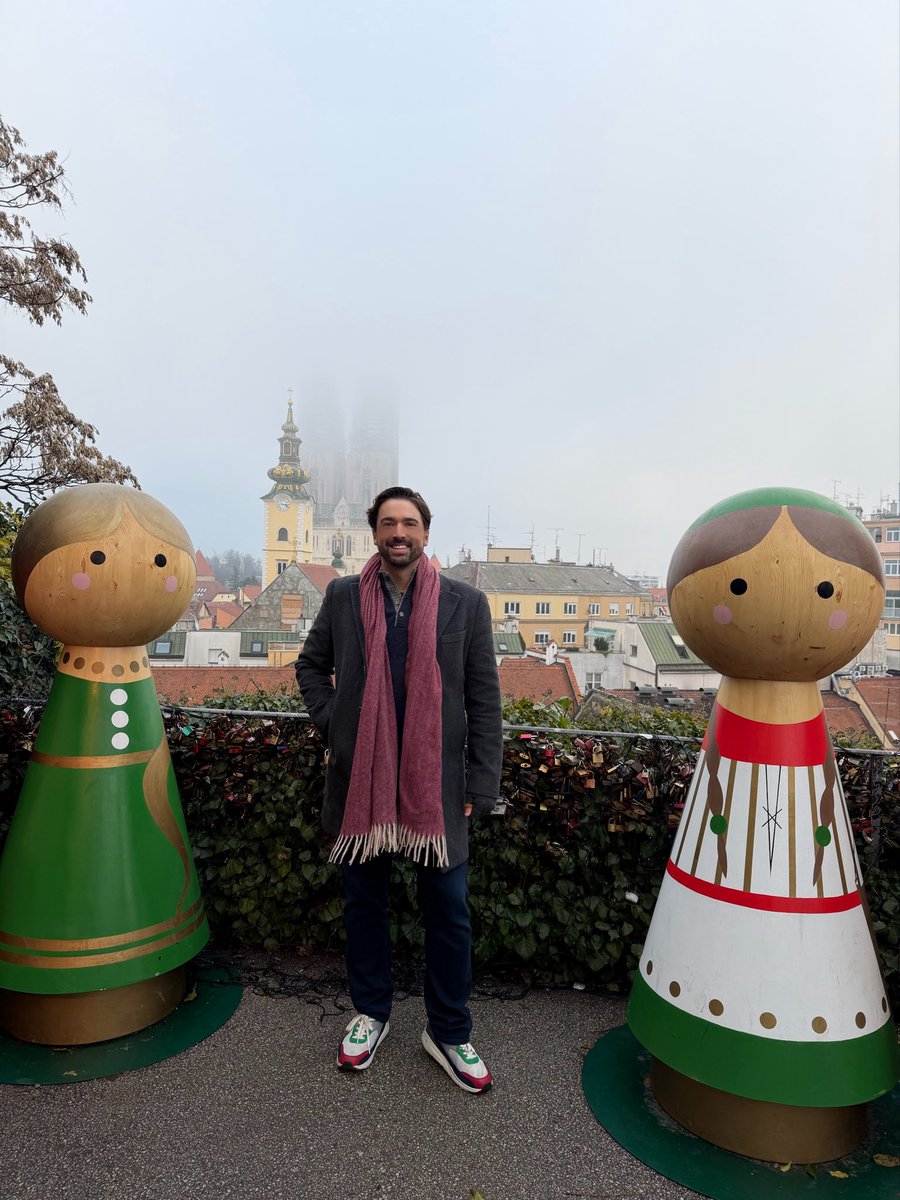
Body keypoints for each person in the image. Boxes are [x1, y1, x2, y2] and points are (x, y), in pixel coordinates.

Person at [295, 485, 502, 1093]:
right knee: (364, 904)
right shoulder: (340, 596)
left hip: (437, 786)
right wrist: (338, 724)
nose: (398, 533)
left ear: (426, 533)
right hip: (361, 782)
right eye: (388, 523)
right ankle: (371, 1013)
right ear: (375, 532)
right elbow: (309, 666)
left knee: (449, 911)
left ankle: (448, 1030)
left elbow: (485, 699)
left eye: (409, 523)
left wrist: (481, 782)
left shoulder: (466, 603)